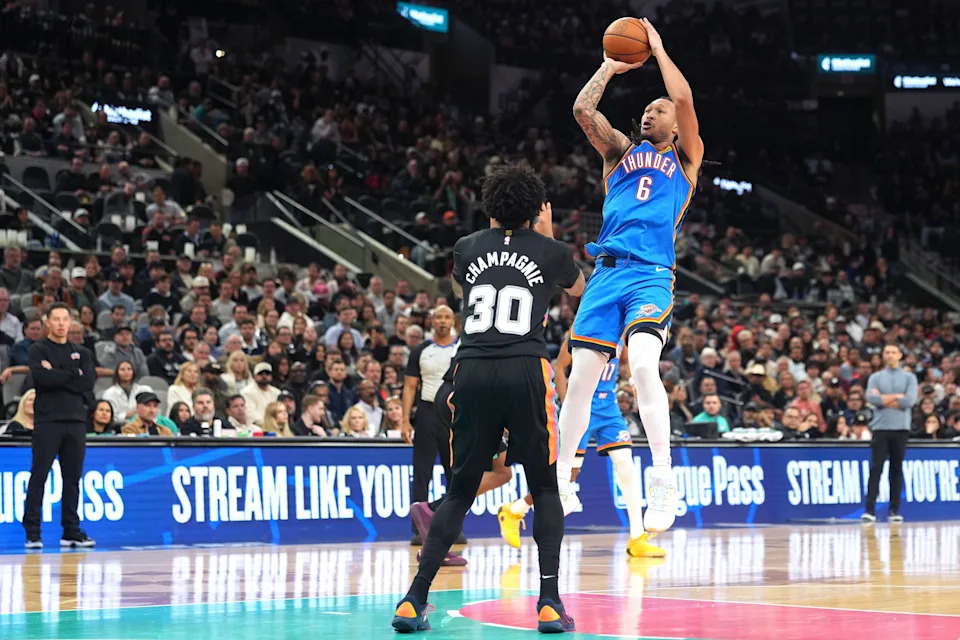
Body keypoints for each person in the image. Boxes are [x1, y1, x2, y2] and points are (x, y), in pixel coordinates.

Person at [391, 163, 584, 633]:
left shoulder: (464, 248)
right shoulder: (552, 251)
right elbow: (582, 293)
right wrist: (547, 233)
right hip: (526, 369)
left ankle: (414, 600)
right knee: (543, 487)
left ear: (488, 206)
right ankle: (549, 602)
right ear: (537, 208)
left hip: (471, 369)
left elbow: (477, 283)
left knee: (460, 488)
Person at [558, 19, 702, 533]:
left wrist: (658, 50)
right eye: (646, 108)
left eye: (656, 109)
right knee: (579, 381)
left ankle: (663, 478)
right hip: (605, 273)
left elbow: (683, 100)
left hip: (649, 274)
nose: (650, 113)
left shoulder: (686, 160)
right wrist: (610, 65)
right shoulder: (620, 152)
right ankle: (559, 484)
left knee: (643, 366)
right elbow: (582, 110)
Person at [498, 338, 663, 557]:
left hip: (609, 408)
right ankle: (514, 510)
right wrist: (569, 402)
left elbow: (623, 362)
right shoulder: (582, 327)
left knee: (626, 466)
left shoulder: (623, 331)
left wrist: (631, 378)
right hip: (583, 405)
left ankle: (637, 537)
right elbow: (559, 367)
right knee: (568, 476)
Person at [23, 303, 96, 549]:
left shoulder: (83, 352)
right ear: (48, 322)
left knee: (73, 478)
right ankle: (32, 532)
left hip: (76, 421)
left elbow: (87, 382)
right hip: (48, 421)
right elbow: (42, 378)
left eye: (66, 319)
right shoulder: (38, 349)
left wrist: (59, 374)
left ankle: (71, 531)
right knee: (39, 476)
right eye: (57, 319)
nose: (62, 324)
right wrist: (71, 374)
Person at [402, 305, 459, 545]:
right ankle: (418, 530)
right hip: (426, 412)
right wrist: (405, 420)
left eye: (447, 317)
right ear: (432, 321)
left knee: (454, 473)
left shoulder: (463, 348)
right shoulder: (420, 350)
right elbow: (410, 386)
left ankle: (453, 528)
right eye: (438, 317)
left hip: (456, 413)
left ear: (453, 321)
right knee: (422, 472)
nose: (443, 321)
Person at [862, 344, 918, 523]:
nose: (890, 355)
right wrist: (897, 397)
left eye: (894, 352)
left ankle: (894, 510)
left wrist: (884, 399)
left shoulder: (909, 377)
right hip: (880, 428)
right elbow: (871, 398)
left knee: (896, 470)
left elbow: (909, 400)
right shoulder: (875, 377)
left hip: (901, 428)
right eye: (887, 352)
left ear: (900, 355)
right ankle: (869, 510)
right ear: (883, 355)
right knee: (876, 468)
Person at [241, 362, 280, 427]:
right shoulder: (246, 392)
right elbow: (250, 414)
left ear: (271, 376)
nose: (264, 376)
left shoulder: (277, 393)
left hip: (275, 426)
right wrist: (268, 424)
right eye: (260, 374)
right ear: (254, 376)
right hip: (255, 428)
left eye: (267, 374)